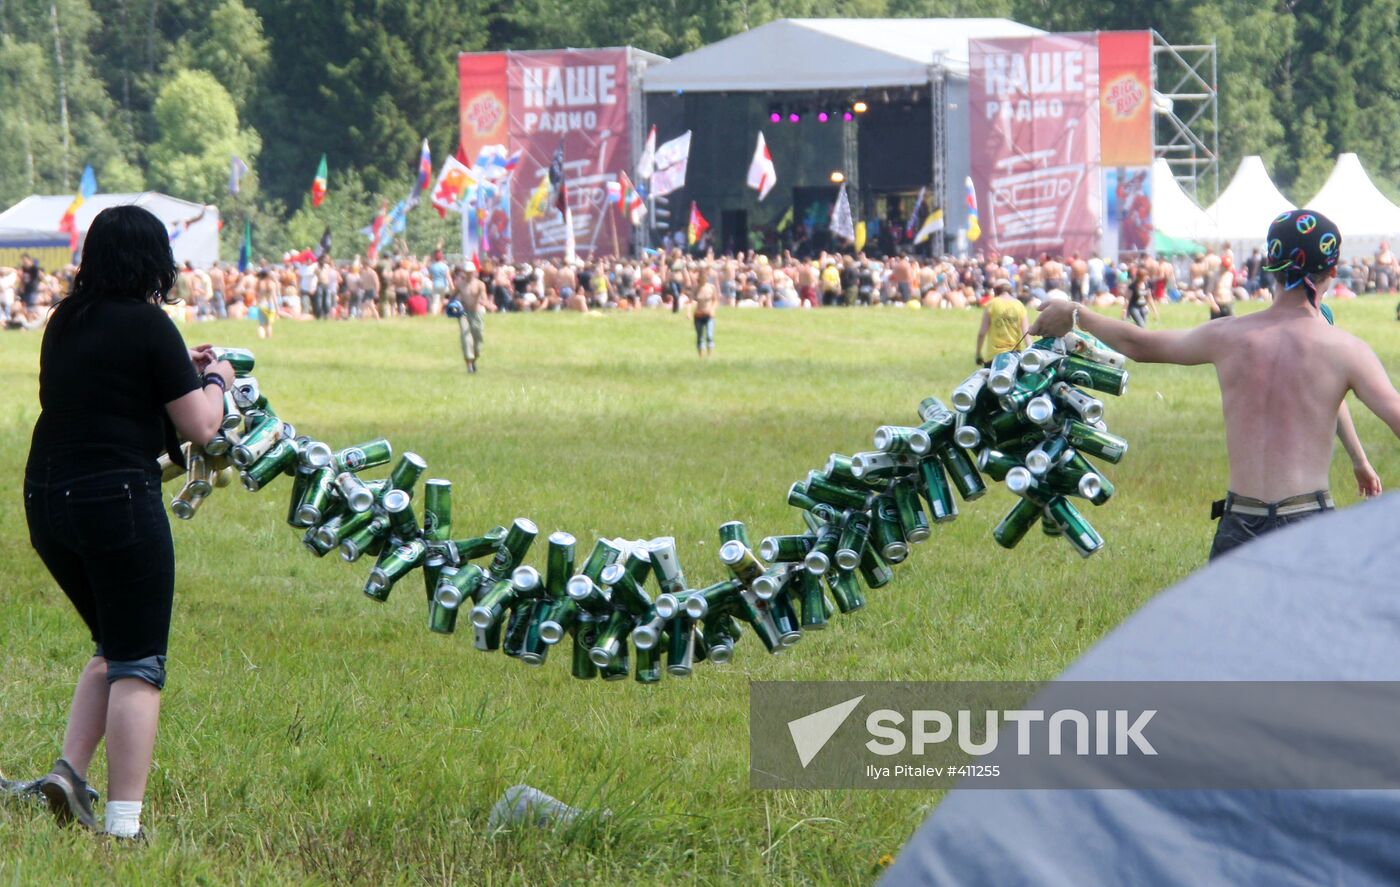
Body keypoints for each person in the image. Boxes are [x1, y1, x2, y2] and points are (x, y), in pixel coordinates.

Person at [18, 205, 235, 839]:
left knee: (113, 646)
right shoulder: (150, 324)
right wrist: (216, 380)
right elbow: (200, 426)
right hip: (115, 499)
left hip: (46, 500)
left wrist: (179, 372)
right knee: (140, 663)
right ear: (154, 261)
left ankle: (66, 775)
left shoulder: (64, 319)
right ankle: (124, 827)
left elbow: (106, 392)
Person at [1030, 209, 1397, 560]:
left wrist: (1077, 314)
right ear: (1331, 270)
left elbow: (1140, 346)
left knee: (1231, 628)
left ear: (1270, 268)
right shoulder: (1347, 350)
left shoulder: (1229, 336)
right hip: (1308, 523)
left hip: (1240, 524)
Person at [975, 282, 1029, 366]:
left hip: (994, 356)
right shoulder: (1019, 305)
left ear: (996, 291)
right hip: (1014, 355)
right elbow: (1026, 333)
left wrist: (978, 353)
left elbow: (982, 333)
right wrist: (1030, 353)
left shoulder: (992, 304)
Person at [449, 265, 485, 373]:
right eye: (467, 271)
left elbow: (484, 298)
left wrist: (488, 304)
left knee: (478, 338)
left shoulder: (480, 284)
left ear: (474, 272)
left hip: (476, 313)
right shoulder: (460, 284)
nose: (469, 274)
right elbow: (453, 296)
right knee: (466, 337)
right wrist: (451, 305)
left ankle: (474, 359)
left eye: (471, 271)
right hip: (463, 313)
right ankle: (469, 363)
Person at [691, 282, 717, 357]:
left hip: (709, 315)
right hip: (698, 315)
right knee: (700, 337)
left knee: (709, 335)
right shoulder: (696, 288)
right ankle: (701, 357)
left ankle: (710, 356)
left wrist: (712, 310)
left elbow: (715, 300)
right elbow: (691, 301)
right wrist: (689, 312)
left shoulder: (711, 287)